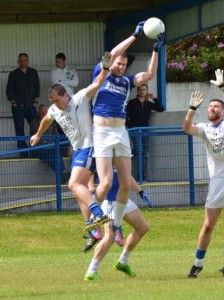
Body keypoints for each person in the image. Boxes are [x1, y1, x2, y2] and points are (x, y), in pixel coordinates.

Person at [91, 21, 164, 242]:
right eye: (118, 62)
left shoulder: (127, 81)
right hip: (102, 132)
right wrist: (134, 35)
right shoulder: (101, 72)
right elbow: (113, 52)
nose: (120, 65)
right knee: (104, 182)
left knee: (124, 183)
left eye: (123, 64)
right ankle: (92, 218)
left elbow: (150, 74)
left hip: (120, 132)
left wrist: (155, 50)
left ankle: (116, 223)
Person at [30, 52, 113, 230]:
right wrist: (38, 134)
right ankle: (92, 229)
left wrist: (105, 68)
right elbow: (46, 119)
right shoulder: (54, 108)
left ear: (65, 95)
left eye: (56, 100)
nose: (54, 103)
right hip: (78, 150)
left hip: (89, 147)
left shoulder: (80, 98)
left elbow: (98, 83)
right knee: (78, 191)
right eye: (51, 100)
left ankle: (98, 213)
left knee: (74, 184)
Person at [183, 69, 224, 278]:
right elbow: (186, 128)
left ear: (223, 111)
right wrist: (192, 109)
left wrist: (222, 87)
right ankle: (197, 264)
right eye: (210, 107)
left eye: (216, 106)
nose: (212, 109)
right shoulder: (203, 128)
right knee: (208, 225)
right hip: (218, 182)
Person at [84, 166, 151, 281]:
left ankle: (123, 262)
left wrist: (140, 191)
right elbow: (90, 171)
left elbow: (126, 175)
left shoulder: (122, 151)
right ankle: (91, 271)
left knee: (142, 227)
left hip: (123, 200)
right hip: (110, 202)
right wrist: (91, 190)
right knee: (109, 237)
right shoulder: (104, 152)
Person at [126, 84, 164, 181]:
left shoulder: (148, 104)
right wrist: (131, 127)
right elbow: (125, 116)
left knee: (145, 154)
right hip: (135, 132)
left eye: (144, 90)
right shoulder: (132, 103)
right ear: (137, 91)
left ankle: (142, 177)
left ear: (146, 91)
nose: (142, 91)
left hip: (145, 131)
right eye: (140, 90)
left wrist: (154, 98)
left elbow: (161, 108)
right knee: (140, 152)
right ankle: (137, 177)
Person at [6, 53, 40, 157]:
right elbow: (9, 90)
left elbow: (37, 87)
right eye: (21, 60)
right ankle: (23, 153)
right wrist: (14, 103)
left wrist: (35, 101)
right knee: (19, 130)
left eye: (25, 60)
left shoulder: (33, 72)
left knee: (35, 128)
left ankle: (35, 151)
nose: (23, 62)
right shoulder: (13, 74)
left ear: (28, 61)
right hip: (18, 106)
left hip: (31, 105)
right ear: (18, 61)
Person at [31, 104, 70, 184]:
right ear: (38, 112)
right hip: (38, 148)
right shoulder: (34, 122)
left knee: (57, 153)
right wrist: (45, 141)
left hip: (49, 146)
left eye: (45, 112)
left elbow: (56, 135)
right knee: (47, 154)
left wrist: (48, 141)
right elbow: (35, 136)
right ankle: (61, 173)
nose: (43, 113)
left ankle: (61, 173)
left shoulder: (51, 122)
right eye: (42, 112)